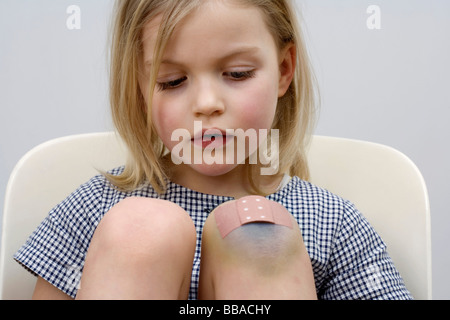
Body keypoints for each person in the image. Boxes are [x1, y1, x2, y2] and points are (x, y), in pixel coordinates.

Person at [14, 0, 412, 300]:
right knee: (141, 228)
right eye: (172, 81)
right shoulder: (95, 210)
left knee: (258, 234)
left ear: (285, 70)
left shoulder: (333, 225)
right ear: (139, 88)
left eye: (237, 74)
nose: (206, 104)